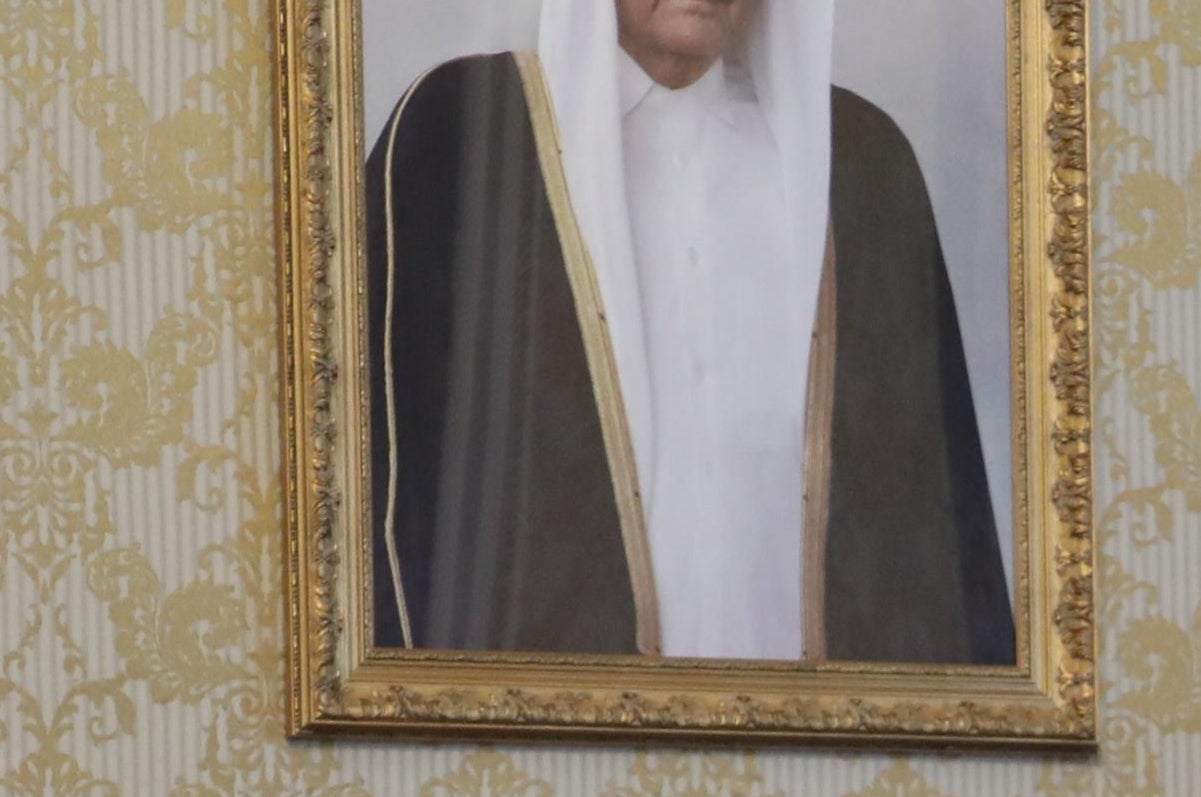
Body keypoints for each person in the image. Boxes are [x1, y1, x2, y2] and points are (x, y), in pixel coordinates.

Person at [366, 0, 1014, 662]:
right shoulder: (461, 135)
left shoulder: (864, 164)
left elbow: (939, 529)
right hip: (558, 742)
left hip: (816, 743)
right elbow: (385, 484)